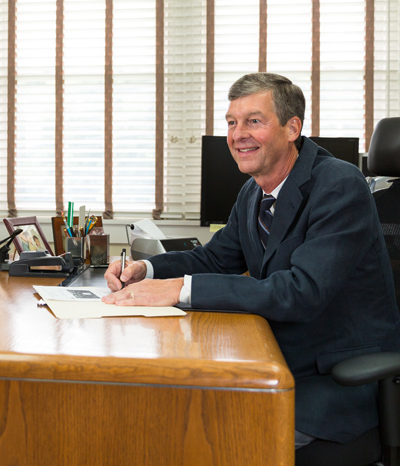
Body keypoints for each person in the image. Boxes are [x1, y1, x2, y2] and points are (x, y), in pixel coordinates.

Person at [103, 73, 400, 450]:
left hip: (337, 381)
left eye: (253, 121)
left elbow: (301, 291)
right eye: (231, 122)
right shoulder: (254, 192)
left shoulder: (339, 185)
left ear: (292, 127)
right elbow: (215, 257)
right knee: (172, 413)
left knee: (211, 438)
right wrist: (145, 271)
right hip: (275, 359)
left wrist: (180, 288)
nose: (237, 134)